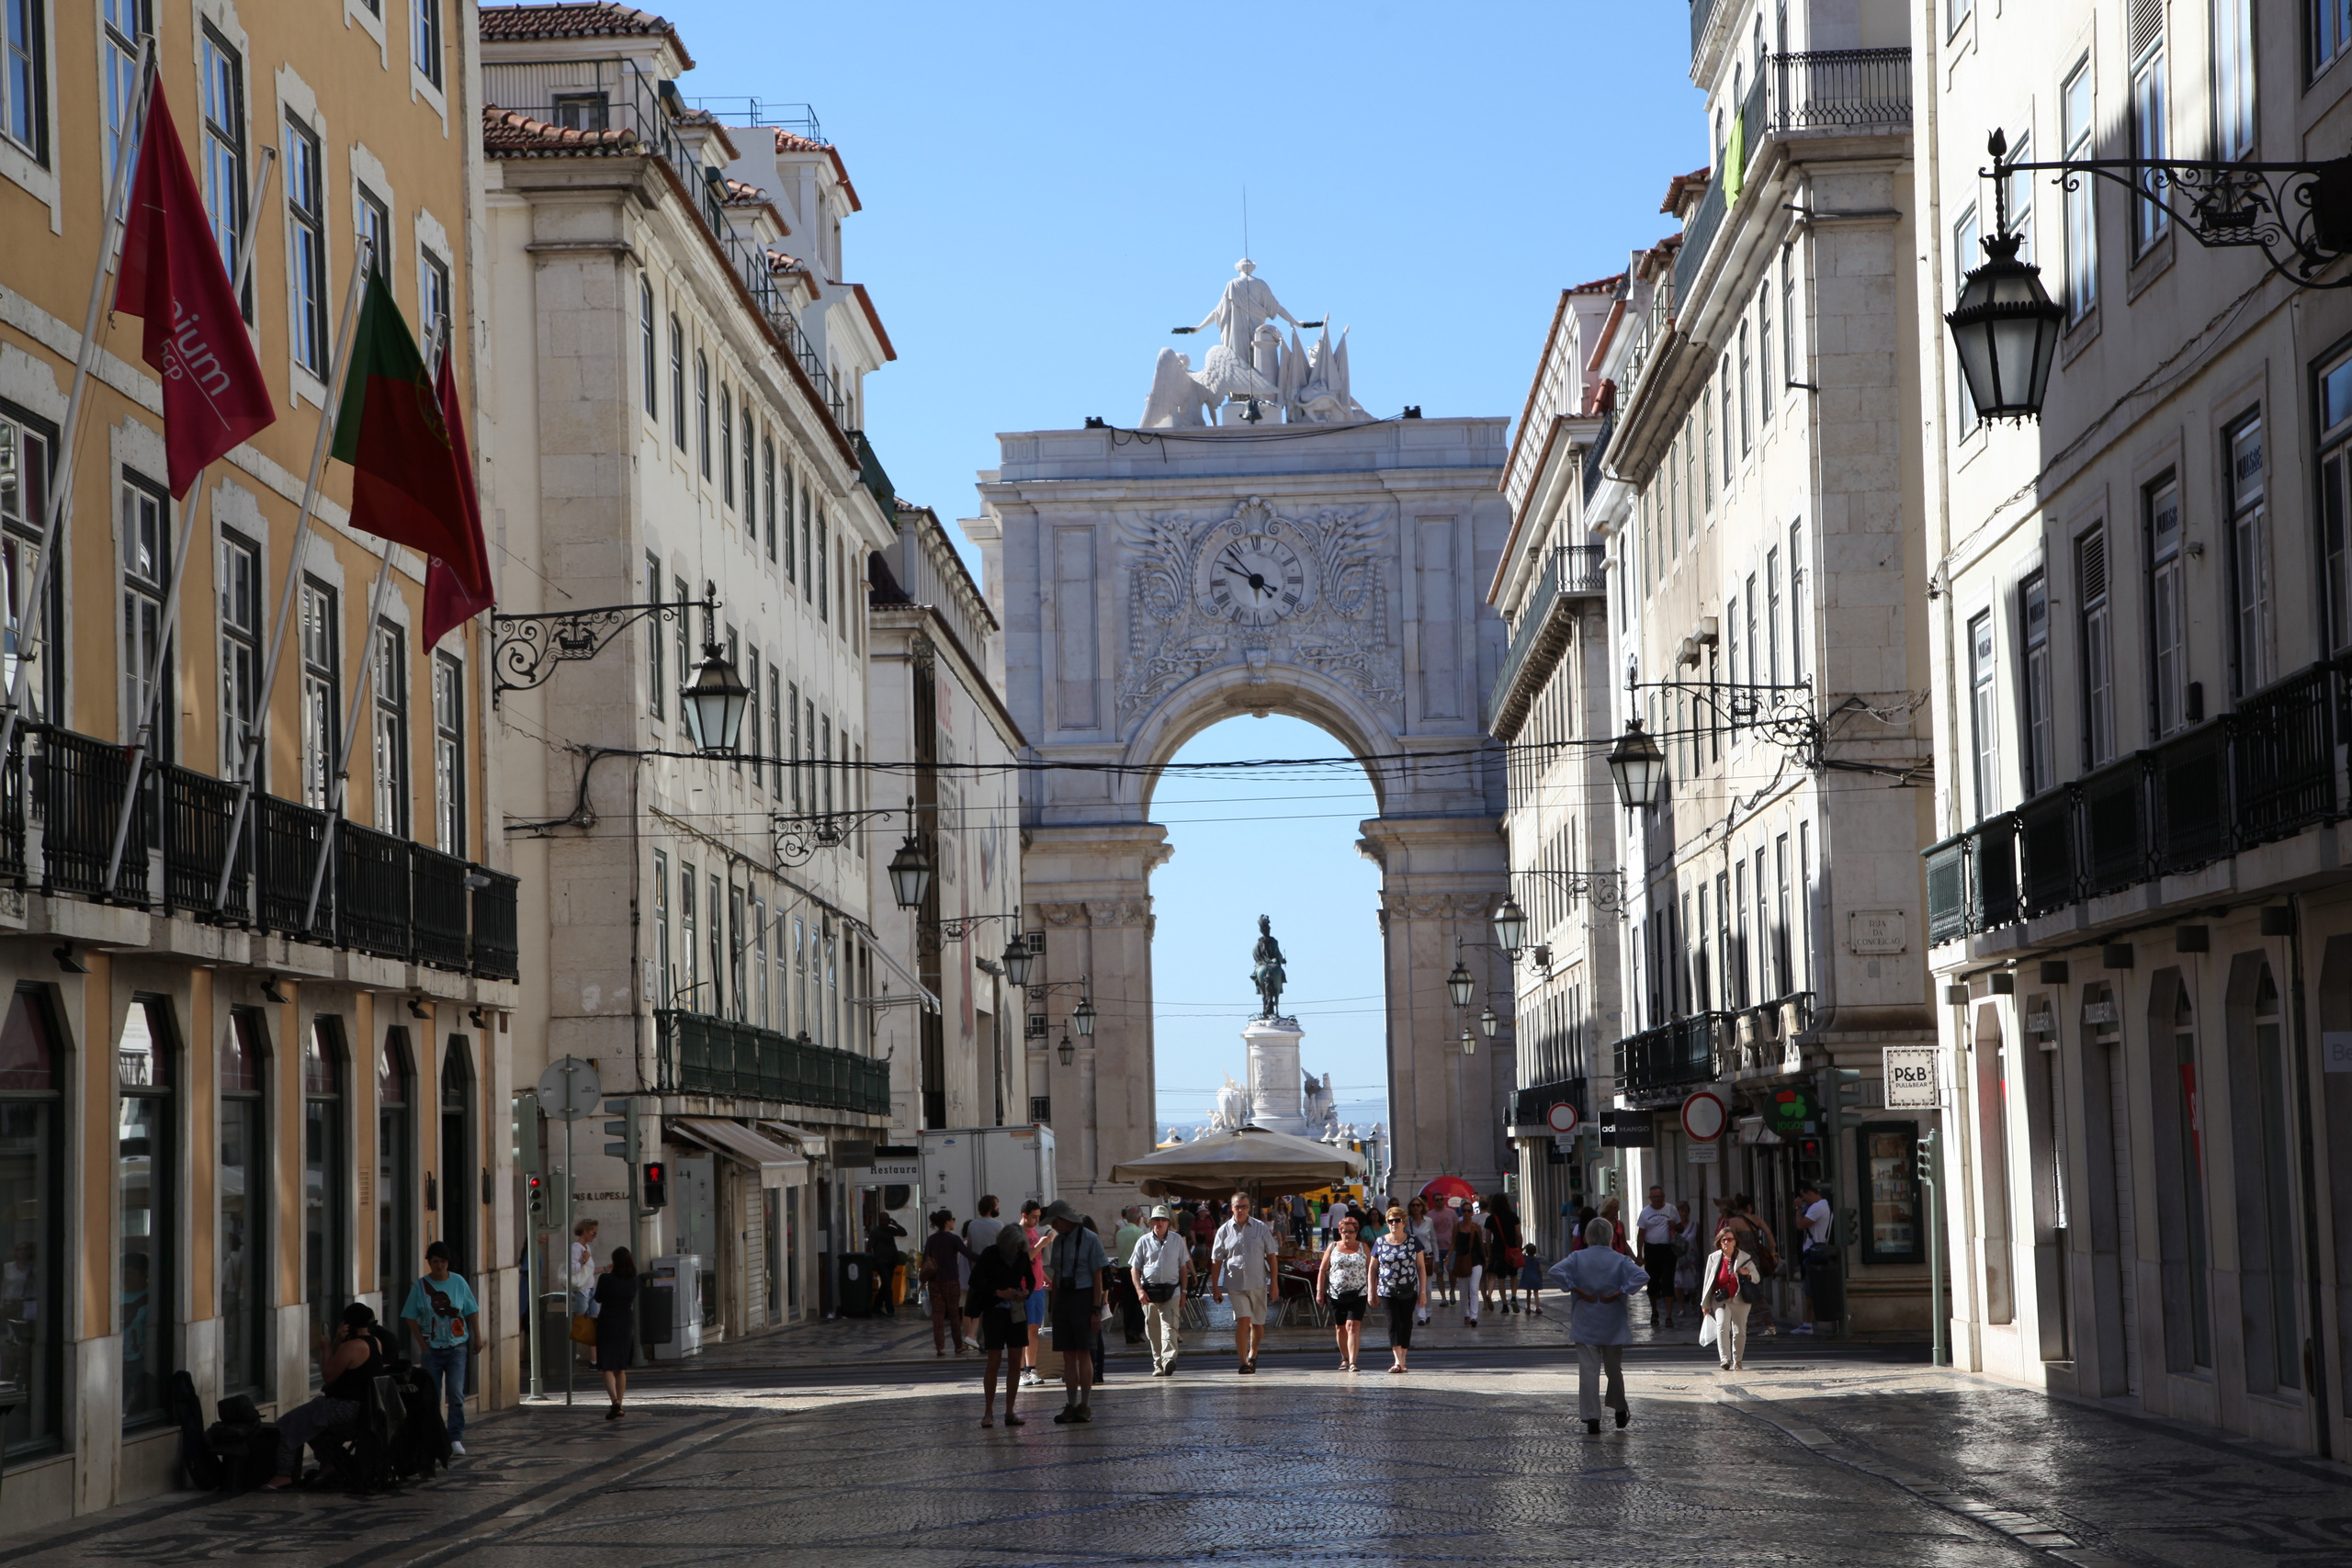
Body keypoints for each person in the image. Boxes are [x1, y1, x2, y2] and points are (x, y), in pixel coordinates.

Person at [266, 1302, 392, 1487]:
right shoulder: (376, 1343)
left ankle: (284, 1474)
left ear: (347, 1324)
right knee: (312, 1424)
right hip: (365, 1411)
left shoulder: (352, 1347)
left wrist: (326, 1348)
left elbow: (329, 1376)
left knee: (289, 1423)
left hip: (344, 1408)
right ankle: (329, 1464)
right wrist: (338, 1343)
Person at [1556, 1218, 1651, 1433]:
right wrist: (1620, 1291)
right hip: (1612, 1321)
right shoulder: (1619, 1259)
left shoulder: (1578, 1257)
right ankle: (1619, 1408)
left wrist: (1577, 1289)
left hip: (1585, 1319)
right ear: (1610, 1236)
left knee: (1589, 1371)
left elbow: (1556, 1271)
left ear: (1587, 1236)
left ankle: (1592, 1418)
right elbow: (1642, 1275)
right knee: (1613, 1369)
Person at [399, 1240, 480, 1453]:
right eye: (436, 1261)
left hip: (457, 1348)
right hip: (432, 1351)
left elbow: (471, 1310)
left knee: (455, 1392)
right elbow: (409, 1317)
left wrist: (478, 1337)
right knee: (432, 1395)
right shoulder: (420, 1286)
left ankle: (455, 1436)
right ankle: (435, 1435)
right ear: (429, 1262)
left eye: (443, 1261)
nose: (440, 1266)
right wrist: (422, 1344)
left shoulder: (459, 1282)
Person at [1042, 1200, 1108, 1423]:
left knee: (1084, 1353)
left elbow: (1098, 1276)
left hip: (1084, 1297)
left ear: (1063, 1218)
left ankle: (1085, 1405)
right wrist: (1054, 1305)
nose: (1053, 1225)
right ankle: (1071, 1404)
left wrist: (1096, 1309)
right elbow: (1058, 1276)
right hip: (1064, 1300)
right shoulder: (1058, 1241)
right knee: (1067, 1355)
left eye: (1054, 1221)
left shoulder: (1090, 1239)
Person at [970, 1222, 1036, 1427]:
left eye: (1021, 1246)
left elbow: (1031, 1279)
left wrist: (1027, 1292)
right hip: (994, 1312)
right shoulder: (991, 1254)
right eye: (1015, 1246)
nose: (1018, 1249)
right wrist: (997, 1292)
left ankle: (1010, 1411)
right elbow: (975, 1281)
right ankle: (988, 1411)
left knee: (1015, 1361)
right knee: (994, 1361)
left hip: (1016, 1312)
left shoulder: (1022, 1255)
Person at [1209, 1191, 1280, 1374]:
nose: (1240, 1210)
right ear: (1231, 1208)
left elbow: (1272, 1257)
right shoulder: (1223, 1231)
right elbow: (1216, 1261)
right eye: (1237, 1206)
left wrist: (1274, 1284)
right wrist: (1215, 1287)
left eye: (1244, 1206)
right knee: (1243, 1321)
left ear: (1249, 1208)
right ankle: (1242, 1363)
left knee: (1257, 1324)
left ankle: (1253, 1355)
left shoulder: (1260, 1228)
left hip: (1258, 1283)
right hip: (1235, 1284)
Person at [1129, 1205, 1189, 1375]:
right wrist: (1139, 1290)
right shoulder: (1143, 1241)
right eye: (1156, 1220)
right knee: (1153, 1328)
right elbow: (1134, 1268)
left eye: (1163, 1220)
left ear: (1168, 1222)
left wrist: (1184, 1292)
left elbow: (1183, 1268)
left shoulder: (1177, 1240)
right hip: (1149, 1292)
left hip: (1172, 1291)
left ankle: (1169, 1359)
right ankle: (1158, 1364)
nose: (1159, 1223)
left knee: (1169, 1326)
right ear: (1151, 1222)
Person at [1371, 1206, 1429, 1373]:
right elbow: (1373, 1268)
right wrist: (1371, 1291)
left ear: (1403, 1222)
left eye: (1397, 1220)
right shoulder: (1380, 1242)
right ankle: (1397, 1360)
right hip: (1386, 1290)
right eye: (1390, 1221)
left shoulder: (1413, 1241)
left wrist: (1423, 1293)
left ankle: (1403, 1357)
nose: (1394, 1223)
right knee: (1393, 1322)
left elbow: (1421, 1268)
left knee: (1406, 1322)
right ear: (1387, 1223)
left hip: (1408, 1289)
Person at [1314, 1213, 1372, 1371]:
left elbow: (1371, 1270)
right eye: (1344, 1231)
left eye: (1351, 1231)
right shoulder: (1332, 1247)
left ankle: (1353, 1361)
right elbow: (1323, 1270)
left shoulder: (1363, 1247)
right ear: (1340, 1232)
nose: (1347, 1234)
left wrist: (1373, 1289)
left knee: (1353, 1326)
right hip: (1335, 1294)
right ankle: (1344, 1358)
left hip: (1358, 1293)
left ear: (1356, 1232)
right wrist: (1320, 1291)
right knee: (1340, 1327)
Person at [1701, 1227, 1764, 1371]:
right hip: (1721, 1299)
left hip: (1740, 1299)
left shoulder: (1744, 1258)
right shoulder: (1713, 1258)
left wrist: (1746, 1273)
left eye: (1730, 1239)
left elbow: (1757, 1277)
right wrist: (1705, 1304)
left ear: (1735, 1242)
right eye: (1724, 1240)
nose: (1726, 1242)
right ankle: (1725, 1359)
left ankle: (1738, 1361)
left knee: (1739, 1331)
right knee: (1722, 1326)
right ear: (1719, 1242)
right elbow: (1708, 1281)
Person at [922, 1211, 976, 1355]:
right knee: (954, 1315)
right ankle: (958, 1345)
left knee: (938, 1316)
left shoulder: (931, 1239)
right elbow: (968, 1254)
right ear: (947, 1222)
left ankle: (940, 1347)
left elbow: (925, 1261)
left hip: (934, 1282)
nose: (954, 1222)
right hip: (951, 1281)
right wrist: (986, 1256)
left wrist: (923, 1280)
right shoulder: (954, 1239)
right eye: (953, 1219)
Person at [594, 1247, 639, 1417]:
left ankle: (614, 1401)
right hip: (626, 1322)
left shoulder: (606, 1279)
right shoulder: (634, 1280)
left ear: (614, 1262)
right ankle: (620, 1404)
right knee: (621, 1367)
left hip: (608, 1321)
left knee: (607, 1366)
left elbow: (598, 1298)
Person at [962, 1196, 1005, 1346]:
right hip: (994, 1273)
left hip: (977, 1272)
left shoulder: (972, 1225)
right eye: (997, 1205)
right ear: (991, 1208)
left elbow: (970, 1250)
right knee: (992, 1308)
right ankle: (987, 1339)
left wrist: (973, 1270)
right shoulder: (999, 1225)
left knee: (978, 1307)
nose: (998, 1208)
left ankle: (976, 1338)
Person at [1635, 1185, 1679, 1327]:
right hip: (1651, 1250)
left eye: (1659, 1196)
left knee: (1668, 1282)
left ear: (1663, 1197)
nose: (1657, 1199)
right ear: (1650, 1198)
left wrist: (1674, 1225)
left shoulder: (1671, 1209)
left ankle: (1669, 1316)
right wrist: (1639, 1254)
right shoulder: (1645, 1212)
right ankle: (1654, 1311)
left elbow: (1681, 1228)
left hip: (1667, 1249)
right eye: (1654, 1197)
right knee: (1652, 1283)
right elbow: (1641, 1235)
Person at [1796, 1183, 1835, 1333]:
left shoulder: (1818, 1207)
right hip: (1813, 1252)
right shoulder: (1820, 1206)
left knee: (1812, 1290)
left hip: (1815, 1253)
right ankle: (1808, 1323)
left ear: (1811, 1193)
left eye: (1804, 1196)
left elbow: (1800, 1225)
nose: (1803, 1199)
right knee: (1811, 1290)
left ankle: (1809, 1324)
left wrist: (1798, 1208)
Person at [1019, 1201, 1048, 1384]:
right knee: (1022, 1330)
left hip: (1038, 1286)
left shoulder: (1035, 1232)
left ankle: (1032, 1368)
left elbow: (1037, 1261)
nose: (1037, 1220)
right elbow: (1025, 1258)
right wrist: (1042, 1244)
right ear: (1024, 1216)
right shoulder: (1018, 1234)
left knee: (1034, 1330)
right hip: (1024, 1287)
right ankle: (1021, 1371)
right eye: (1034, 1217)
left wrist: (1046, 1278)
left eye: (1039, 1217)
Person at [1110, 1206, 1147, 1346]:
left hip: (1122, 1269)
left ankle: (1130, 1335)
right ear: (1139, 1218)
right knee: (1144, 1301)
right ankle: (1135, 1329)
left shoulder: (1120, 1233)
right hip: (1136, 1270)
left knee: (1128, 1303)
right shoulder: (1139, 1232)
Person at [1485, 1194, 1524, 1315]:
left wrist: (1489, 1254)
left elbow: (1487, 1238)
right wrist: (1519, 1248)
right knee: (1513, 1276)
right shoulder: (1513, 1216)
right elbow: (1519, 1234)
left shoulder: (1491, 1219)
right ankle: (1513, 1297)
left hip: (1498, 1251)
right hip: (1512, 1250)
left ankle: (1505, 1305)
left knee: (1501, 1279)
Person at [569, 1218, 599, 1365]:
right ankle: (571, 1353)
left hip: (590, 1290)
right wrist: (583, 1260)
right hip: (581, 1291)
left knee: (594, 1324)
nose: (595, 1236)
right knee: (579, 1323)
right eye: (593, 1232)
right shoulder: (576, 1248)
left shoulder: (587, 1248)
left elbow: (588, 1271)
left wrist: (606, 1269)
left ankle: (595, 1360)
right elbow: (572, 1269)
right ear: (586, 1231)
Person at [868, 1209, 909, 1317]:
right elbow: (870, 1246)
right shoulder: (875, 1231)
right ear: (879, 1220)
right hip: (881, 1262)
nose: (885, 1221)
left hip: (891, 1261)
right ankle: (890, 1309)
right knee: (887, 1285)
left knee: (886, 1285)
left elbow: (904, 1233)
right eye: (883, 1219)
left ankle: (876, 1308)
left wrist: (896, 1224)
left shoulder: (891, 1230)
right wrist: (871, 1259)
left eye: (887, 1219)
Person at [1452, 1201, 1487, 1325]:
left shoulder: (1476, 1227)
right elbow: (1453, 1244)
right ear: (1461, 1212)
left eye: (1468, 1210)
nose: (1466, 1213)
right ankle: (1466, 1314)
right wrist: (1448, 1258)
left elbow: (1481, 1244)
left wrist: (1485, 1258)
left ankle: (1473, 1317)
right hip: (1462, 1260)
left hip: (1476, 1260)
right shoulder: (1457, 1226)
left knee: (1473, 1288)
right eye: (1464, 1211)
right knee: (1463, 1290)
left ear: (1472, 1212)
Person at [1406, 1199, 1438, 1324]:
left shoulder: (1428, 1221)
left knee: (1427, 1288)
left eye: (1418, 1205)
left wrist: (1437, 1259)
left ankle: (1428, 1311)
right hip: (1412, 1257)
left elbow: (1433, 1240)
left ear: (1422, 1207)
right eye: (1413, 1205)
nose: (1415, 1208)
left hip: (1427, 1257)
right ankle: (1422, 1315)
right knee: (1418, 1286)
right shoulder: (1407, 1223)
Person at [1671, 1202, 1702, 1321]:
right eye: (1681, 1211)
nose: (1683, 1214)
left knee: (1693, 1284)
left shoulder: (1695, 1225)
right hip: (1678, 1258)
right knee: (1678, 1283)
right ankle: (1682, 1307)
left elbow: (1698, 1240)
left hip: (1692, 1257)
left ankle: (1692, 1302)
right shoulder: (1674, 1226)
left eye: (1685, 1211)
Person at [1430, 1199, 1459, 1305]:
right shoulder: (1430, 1215)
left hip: (1450, 1247)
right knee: (1439, 1273)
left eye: (1441, 1199)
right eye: (1437, 1199)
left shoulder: (1451, 1213)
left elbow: (1457, 1228)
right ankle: (1443, 1297)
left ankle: (1452, 1290)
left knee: (1452, 1271)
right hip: (1436, 1248)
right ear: (1434, 1201)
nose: (1439, 1201)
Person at [1519, 1244, 1546, 1316]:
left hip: (1527, 1278)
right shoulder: (1537, 1260)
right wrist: (1541, 1278)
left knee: (1528, 1294)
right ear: (1535, 1252)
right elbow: (1539, 1270)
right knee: (1536, 1293)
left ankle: (1528, 1308)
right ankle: (1537, 1308)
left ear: (1527, 1251)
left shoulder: (1525, 1258)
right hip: (1535, 1278)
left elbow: (1520, 1253)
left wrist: (1524, 1248)